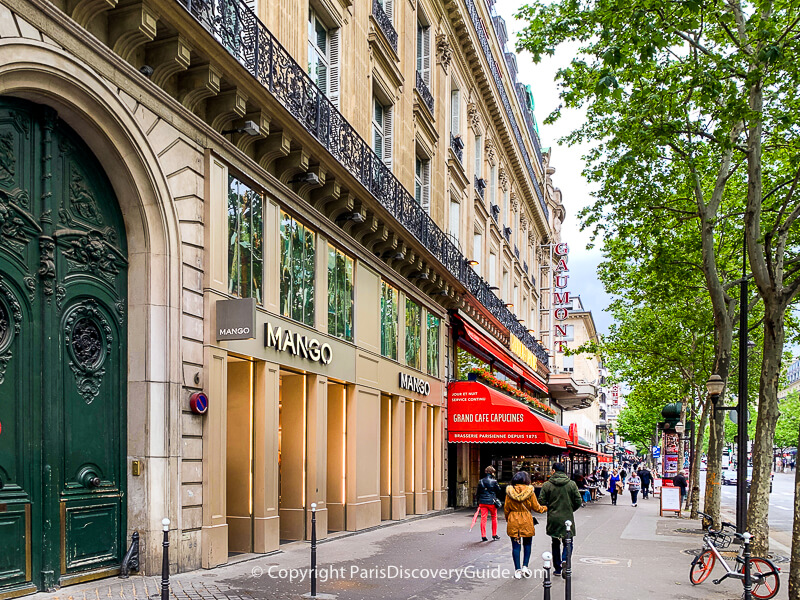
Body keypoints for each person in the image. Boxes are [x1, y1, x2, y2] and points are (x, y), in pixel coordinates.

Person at [539, 462, 582, 577]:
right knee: (568, 542)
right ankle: (565, 560)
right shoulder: (571, 484)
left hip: (553, 517)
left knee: (555, 542)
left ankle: (557, 568)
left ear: (553, 471)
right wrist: (570, 509)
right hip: (567, 517)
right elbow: (578, 501)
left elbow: (541, 501)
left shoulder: (547, 485)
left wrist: (551, 506)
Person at [504, 471, 547, 580]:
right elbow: (537, 508)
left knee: (515, 546)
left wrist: (508, 519)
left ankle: (517, 570)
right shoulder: (530, 491)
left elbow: (506, 508)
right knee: (527, 544)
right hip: (526, 519)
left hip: (513, 519)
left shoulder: (509, 492)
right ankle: (525, 567)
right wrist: (546, 508)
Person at [476, 466, 502, 541]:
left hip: (483, 502)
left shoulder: (480, 481)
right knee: (494, 517)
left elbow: (478, 492)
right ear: (492, 473)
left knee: (483, 518)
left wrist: (478, 501)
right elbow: (499, 490)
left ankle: (483, 535)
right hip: (491, 502)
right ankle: (494, 534)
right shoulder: (494, 481)